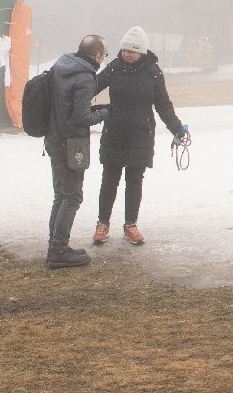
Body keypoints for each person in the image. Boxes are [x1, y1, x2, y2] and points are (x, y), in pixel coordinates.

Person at [92, 26, 189, 248]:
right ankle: (102, 224)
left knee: (134, 182)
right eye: (124, 50)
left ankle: (130, 225)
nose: (126, 54)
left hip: (141, 135)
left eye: (131, 51)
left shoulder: (153, 72)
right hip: (114, 132)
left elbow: (163, 105)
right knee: (109, 180)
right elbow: (92, 87)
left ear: (141, 52)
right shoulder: (115, 68)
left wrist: (177, 128)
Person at [43, 35, 110, 268]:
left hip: (53, 137)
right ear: (97, 55)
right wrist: (105, 112)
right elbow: (81, 116)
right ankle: (59, 250)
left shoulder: (61, 66)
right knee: (72, 196)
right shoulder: (84, 77)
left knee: (61, 194)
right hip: (70, 143)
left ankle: (55, 243)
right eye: (104, 55)